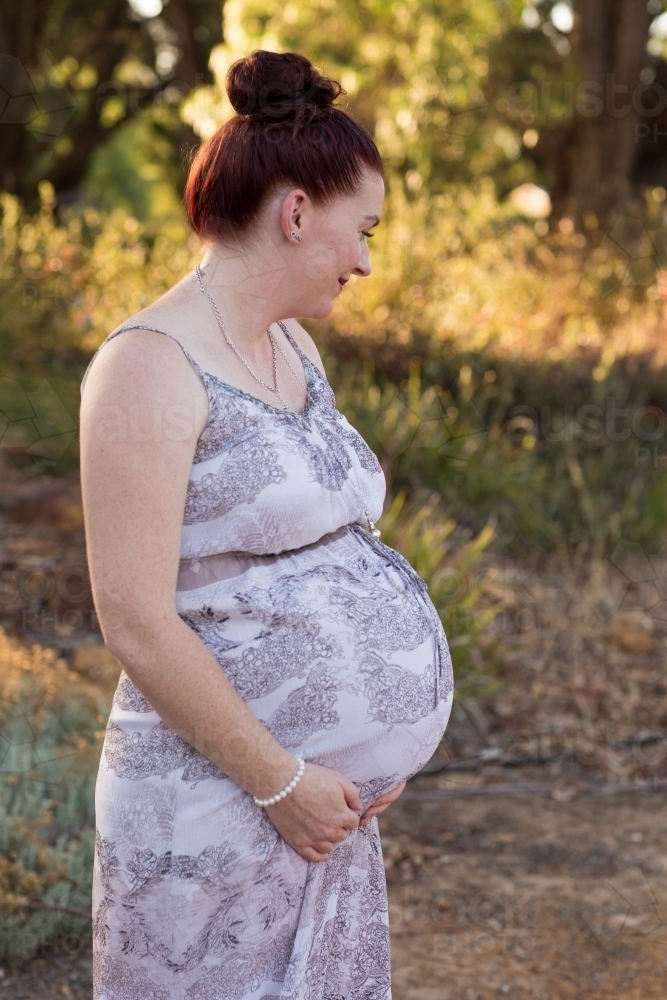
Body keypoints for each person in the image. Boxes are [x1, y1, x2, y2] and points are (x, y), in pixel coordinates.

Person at [79, 49, 453, 1000]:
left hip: (316, 808)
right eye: (360, 229)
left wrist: (364, 750)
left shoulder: (289, 344)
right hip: (215, 804)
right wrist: (282, 781)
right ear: (295, 213)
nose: (366, 259)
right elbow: (132, 618)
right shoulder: (148, 370)